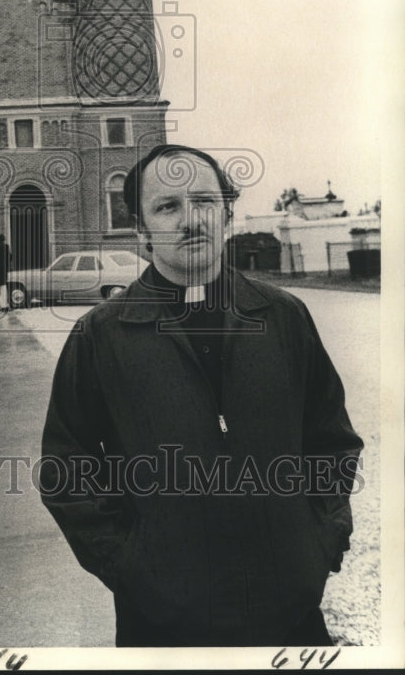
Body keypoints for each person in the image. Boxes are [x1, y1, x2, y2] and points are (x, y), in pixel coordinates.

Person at [40, 143, 363, 647]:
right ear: (142, 229)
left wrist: (320, 543)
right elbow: (67, 471)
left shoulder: (283, 317)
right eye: (168, 207)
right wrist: (132, 569)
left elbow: (332, 442)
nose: (191, 220)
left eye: (204, 202)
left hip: (292, 616)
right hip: (165, 627)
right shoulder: (101, 336)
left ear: (226, 214)